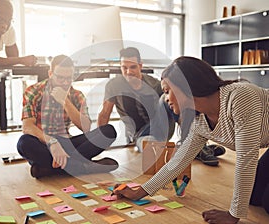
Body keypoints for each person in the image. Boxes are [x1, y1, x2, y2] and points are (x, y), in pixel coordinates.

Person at [112, 56, 269, 223]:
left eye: (167, 91)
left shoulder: (239, 97)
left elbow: (247, 159)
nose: (166, 99)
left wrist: (233, 215)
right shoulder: (200, 121)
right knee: (253, 196)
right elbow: (178, 161)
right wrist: (140, 191)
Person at [98, 47, 223, 166]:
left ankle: (193, 144)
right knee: (151, 148)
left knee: (169, 98)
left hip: (160, 126)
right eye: (124, 68)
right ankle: (194, 148)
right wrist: (97, 145)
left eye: (133, 67)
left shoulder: (154, 84)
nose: (128, 72)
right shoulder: (114, 85)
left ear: (140, 66)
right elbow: (104, 113)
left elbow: (174, 107)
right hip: (140, 135)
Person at [17, 55, 118, 178]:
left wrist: (65, 101)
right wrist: (52, 142)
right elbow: (27, 127)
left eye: (68, 79)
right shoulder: (33, 91)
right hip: (43, 143)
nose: (65, 83)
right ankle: (85, 167)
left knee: (108, 132)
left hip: (67, 144)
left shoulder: (76, 95)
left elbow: (85, 127)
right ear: (50, 74)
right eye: (60, 78)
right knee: (23, 143)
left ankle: (48, 169)